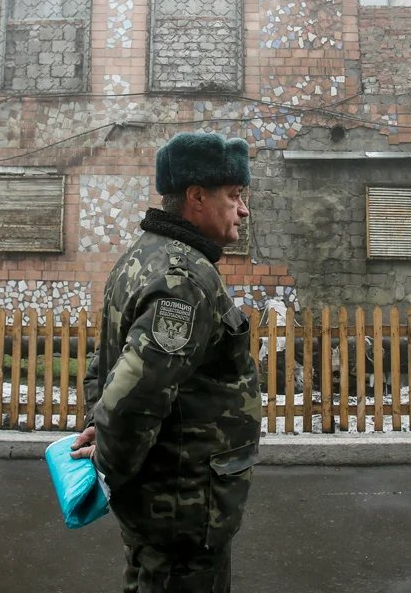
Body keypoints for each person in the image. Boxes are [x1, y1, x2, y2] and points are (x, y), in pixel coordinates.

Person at [71, 131, 262, 593]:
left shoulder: (142, 257)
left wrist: (103, 430)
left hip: (165, 503)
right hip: (184, 506)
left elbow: (105, 363)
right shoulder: (183, 278)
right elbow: (134, 395)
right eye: (234, 196)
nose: (244, 209)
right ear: (196, 198)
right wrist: (109, 461)